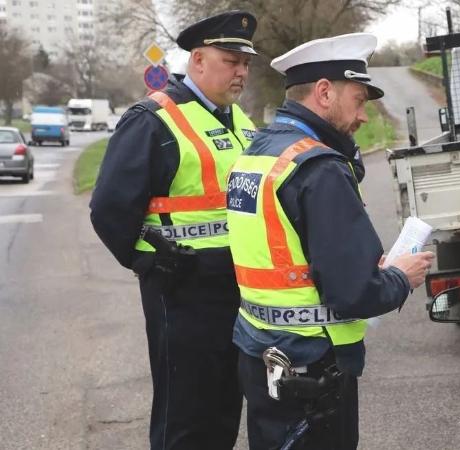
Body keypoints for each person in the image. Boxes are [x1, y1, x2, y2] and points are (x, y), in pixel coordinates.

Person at [225, 33, 434, 449]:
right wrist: (399, 278)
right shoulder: (319, 168)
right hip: (313, 369)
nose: (363, 116)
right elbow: (354, 293)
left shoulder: (257, 151)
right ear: (324, 92)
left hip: (261, 355)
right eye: (358, 100)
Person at [89, 11, 259, 450]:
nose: (241, 71)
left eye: (245, 63)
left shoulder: (241, 121)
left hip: (238, 288)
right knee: (185, 415)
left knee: (224, 405)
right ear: (198, 61)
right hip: (182, 292)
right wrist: (145, 260)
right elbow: (109, 207)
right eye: (230, 60)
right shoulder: (152, 119)